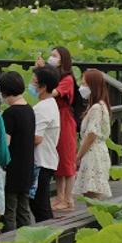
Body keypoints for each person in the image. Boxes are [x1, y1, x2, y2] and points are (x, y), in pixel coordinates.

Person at [38, 47, 78, 212]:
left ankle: (68, 199)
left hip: (65, 119)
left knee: (67, 160)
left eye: (55, 56)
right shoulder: (57, 75)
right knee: (57, 159)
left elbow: (52, 92)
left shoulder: (67, 79)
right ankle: (60, 197)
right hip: (55, 116)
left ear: (63, 59)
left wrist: (42, 71)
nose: (51, 58)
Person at [0, 72, 35, 231]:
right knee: (24, 209)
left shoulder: (10, 113)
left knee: (10, 210)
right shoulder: (29, 110)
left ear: (4, 90)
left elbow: (5, 144)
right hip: (27, 166)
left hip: (13, 168)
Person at [74, 69, 113, 200]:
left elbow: (92, 134)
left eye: (84, 84)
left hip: (93, 154)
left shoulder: (96, 108)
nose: (81, 87)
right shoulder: (98, 105)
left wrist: (78, 155)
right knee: (91, 195)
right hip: (96, 152)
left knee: (92, 196)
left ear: (93, 86)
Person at [31, 66, 61, 222]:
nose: (31, 85)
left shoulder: (42, 108)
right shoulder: (51, 103)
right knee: (41, 205)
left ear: (43, 87)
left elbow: (37, 138)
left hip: (41, 161)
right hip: (47, 159)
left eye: (34, 82)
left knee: (40, 206)